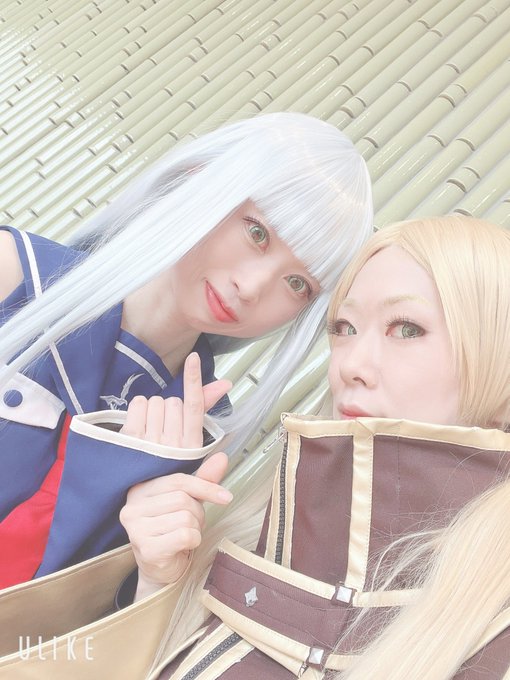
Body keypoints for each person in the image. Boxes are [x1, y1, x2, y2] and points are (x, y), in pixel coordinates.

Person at [116, 215, 509, 679]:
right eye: (344, 327)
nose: (351, 364)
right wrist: (156, 584)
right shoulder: (252, 533)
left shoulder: (493, 620)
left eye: (406, 329)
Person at [0, 112, 373, 588]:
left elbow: (78, 612)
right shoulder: (15, 273)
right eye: (257, 232)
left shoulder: (201, 431)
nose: (252, 287)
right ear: (200, 183)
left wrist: (155, 576)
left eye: (298, 283)